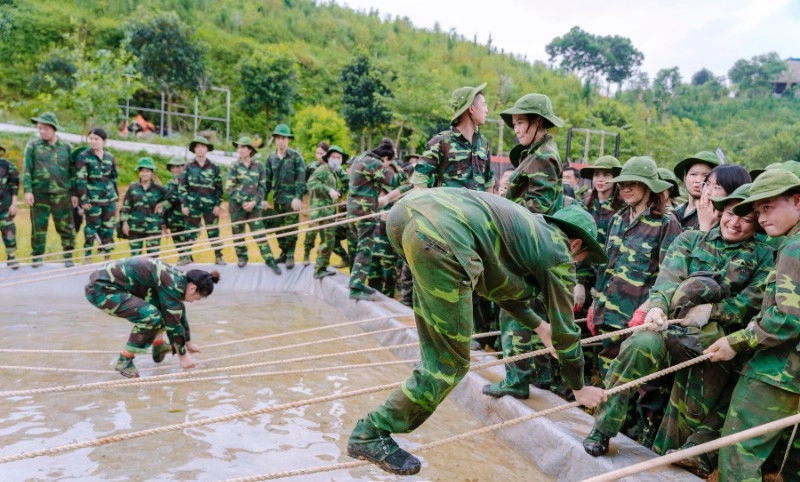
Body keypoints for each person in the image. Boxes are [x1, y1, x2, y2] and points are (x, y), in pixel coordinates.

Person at [346, 189, 608, 475]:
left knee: (436, 355)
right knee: (450, 364)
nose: (577, 265)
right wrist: (579, 388)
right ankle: (371, 432)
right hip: (443, 237)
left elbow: (497, 289)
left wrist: (538, 326)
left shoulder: (526, 231)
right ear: (576, 244)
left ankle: (391, 415)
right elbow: (567, 332)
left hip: (406, 216)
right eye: (582, 259)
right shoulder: (558, 252)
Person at [583, 183, 772, 469]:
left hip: (712, 340)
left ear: (756, 223)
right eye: (732, 214)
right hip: (670, 328)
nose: (735, 223)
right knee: (638, 346)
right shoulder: (690, 240)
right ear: (721, 211)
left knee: (690, 410)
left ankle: (665, 461)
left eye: (746, 219)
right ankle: (603, 428)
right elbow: (668, 278)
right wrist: (657, 306)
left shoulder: (763, 256)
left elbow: (754, 298)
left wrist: (716, 310)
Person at [705, 170, 800, 481]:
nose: (760, 218)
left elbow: (787, 316)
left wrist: (737, 341)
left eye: (768, 207)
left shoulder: (794, 246)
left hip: (778, 374)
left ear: (796, 201)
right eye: (757, 211)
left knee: (737, 459)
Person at [481, 92, 570, 398]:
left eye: (521, 122)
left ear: (538, 122)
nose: (516, 129)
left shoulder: (543, 157)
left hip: (526, 244)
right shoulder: (536, 153)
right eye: (515, 124)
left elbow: (537, 208)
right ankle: (526, 377)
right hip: (524, 243)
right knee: (523, 311)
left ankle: (517, 379)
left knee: (515, 310)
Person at [590, 156, 681, 375]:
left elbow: (670, 275)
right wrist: (596, 303)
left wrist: (649, 307)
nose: (626, 188)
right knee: (607, 375)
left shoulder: (666, 223)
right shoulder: (618, 219)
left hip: (637, 320)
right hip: (608, 315)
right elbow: (606, 268)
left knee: (637, 385)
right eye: (623, 183)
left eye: (634, 183)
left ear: (649, 186)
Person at [84, 257, 218, 378]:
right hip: (101, 290)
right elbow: (174, 325)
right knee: (151, 317)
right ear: (192, 288)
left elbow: (178, 312)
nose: (194, 301)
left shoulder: (178, 279)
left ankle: (158, 347)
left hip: (112, 286)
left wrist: (188, 343)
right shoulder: (174, 285)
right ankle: (124, 361)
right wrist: (183, 357)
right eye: (197, 298)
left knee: (164, 310)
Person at [347, 138, 410, 301]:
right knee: (365, 249)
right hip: (364, 211)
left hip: (354, 210)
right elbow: (394, 180)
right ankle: (355, 286)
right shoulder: (373, 163)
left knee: (361, 247)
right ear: (385, 159)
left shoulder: (361, 158)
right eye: (388, 164)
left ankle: (357, 282)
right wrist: (413, 170)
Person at [409, 82, 493, 191]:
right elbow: (420, 181)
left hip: (479, 208)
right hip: (448, 208)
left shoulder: (483, 144)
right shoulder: (441, 142)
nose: (487, 110)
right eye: (484, 105)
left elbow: (489, 182)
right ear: (471, 108)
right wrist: (430, 208)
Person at [22, 112, 77, 267]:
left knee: (66, 227)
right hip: (39, 194)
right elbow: (27, 169)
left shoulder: (66, 147)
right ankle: (37, 256)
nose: (41, 131)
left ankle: (68, 256)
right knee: (38, 228)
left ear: (53, 129)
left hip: (62, 195)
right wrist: (27, 190)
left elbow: (72, 172)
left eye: (45, 128)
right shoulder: (33, 146)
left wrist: (74, 194)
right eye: (39, 128)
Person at [225, 136, 281, 274]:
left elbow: (262, 186)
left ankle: (269, 260)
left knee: (260, 233)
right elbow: (229, 187)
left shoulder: (259, 166)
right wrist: (243, 202)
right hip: (238, 207)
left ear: (250, 150)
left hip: (254, 207)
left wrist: (255, 201)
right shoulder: (234, 166)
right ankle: (242, 257)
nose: (239, 150)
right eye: (238, 147)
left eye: (242, 147)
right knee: (238, 234)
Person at [263, 124, 306, 269]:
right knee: (278, 228)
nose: (281, 141)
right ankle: (283, 253)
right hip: (277, 199)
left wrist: (298, 197)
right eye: (278, 138)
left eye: (284, 138)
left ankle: (290, 254)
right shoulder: (270, 158)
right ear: (275, 140)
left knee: (291, 228)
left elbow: (301, 178)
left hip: (291, 201)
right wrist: (264, 198)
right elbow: (267, 180)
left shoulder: (296, 157)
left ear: (288, 140)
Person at [74, 127, 118, 264]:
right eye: (91, 139)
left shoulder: (110, 157)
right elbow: (81, 179)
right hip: (93, 201)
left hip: (109, 199)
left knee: (109, 228)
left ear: (104, 141)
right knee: (91, 229)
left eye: (96, 139)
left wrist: (115, 196)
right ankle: (87, 256)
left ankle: (107, 257)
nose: (93, 142)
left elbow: (114, 177)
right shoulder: (83, 157)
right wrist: (84, 200)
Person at [179, 136, 225, 265]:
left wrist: (217, 205)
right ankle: (186, 256)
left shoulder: (214, 167)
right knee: (190, 232)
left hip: (210, 206)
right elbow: (182, 187)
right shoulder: (188, 167)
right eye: (198, 147)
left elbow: (219, 188)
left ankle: (219, 256)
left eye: (203, 146)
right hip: (192, 205)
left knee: (214, 232)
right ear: (194, 149)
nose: (200, 149)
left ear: (207, 149)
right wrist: (184, 204)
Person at [307, 145, 347, 279]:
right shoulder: (323, 169)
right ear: (328, 158)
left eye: (339, 158)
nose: (336, 160)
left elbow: (346, 182)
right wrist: (328, 190)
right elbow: (311, 183)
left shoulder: (334, 172)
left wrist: (339, 192)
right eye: (334, 157)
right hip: (320, 211)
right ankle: (319, 269)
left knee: (328, 241)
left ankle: (321, 267)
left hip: (329, 211)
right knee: (327, 241)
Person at [120, 158, 166, 256]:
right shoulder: (133, 188)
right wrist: (125, 223)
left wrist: (163, 219)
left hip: (153, 227)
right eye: (142, 171)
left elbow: (170, 200)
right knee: (135, 258)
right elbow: (126, 205)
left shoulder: (159, 189)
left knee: (153, 257)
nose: (145, 174)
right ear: (139, 172)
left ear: (152, 173)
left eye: (147, 171)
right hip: (135, 227)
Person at [671, 151, 720, 230]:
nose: (698, 180)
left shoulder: (716, 215)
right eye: (693, 174)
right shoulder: (674, 213)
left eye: (706, 175)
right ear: (684, 178)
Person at [695, 164, 751, 232]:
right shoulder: (700, 215)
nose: (707, 192)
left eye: (717, 188)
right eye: (707, 184)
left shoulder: (733, 226)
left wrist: (705, 226)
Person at [302, 141, 329, 266]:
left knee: (326, 235)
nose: (319, 156)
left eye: (322, 153)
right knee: (311, 231)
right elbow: (304, 180)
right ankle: (306, 254)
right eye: (317, 153)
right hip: (314, 204)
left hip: (328, 205)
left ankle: (321, 261)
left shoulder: (331, 168)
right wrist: (305, 191)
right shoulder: (311, 166)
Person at [161, 157, 192, 265]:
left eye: (178, 167)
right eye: (173, 167)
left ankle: (187, 258)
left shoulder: (189, 183)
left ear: (183, 168)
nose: (176, 170)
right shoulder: (170, 183)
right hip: (173, 219)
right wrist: (163, 222)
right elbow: (166, 201)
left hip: (186, 219)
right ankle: (183, 258)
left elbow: (173, 198)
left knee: (188, 243)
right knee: (178, 244)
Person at [0, 145, 19, 269]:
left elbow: (14, 185)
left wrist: (14, 203)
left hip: (5, 206)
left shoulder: (6, 165)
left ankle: (11, 256)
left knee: (9, 231)